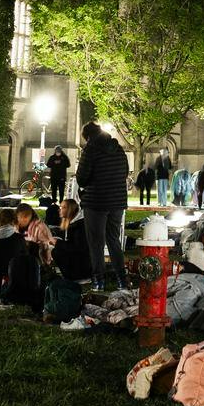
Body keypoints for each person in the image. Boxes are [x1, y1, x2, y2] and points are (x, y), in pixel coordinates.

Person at [75, 121, 129, 288]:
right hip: (117, 201)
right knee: (113, 240)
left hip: (96, 201)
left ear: (88, 136)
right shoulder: (118, 148)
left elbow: (81, 177)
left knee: (96, 243)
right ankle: (121, 279)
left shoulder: (90, 150)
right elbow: (125, 172)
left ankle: (99, 281)